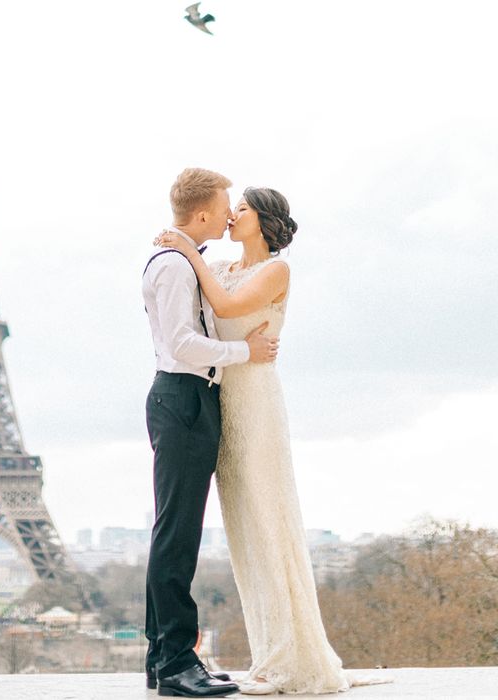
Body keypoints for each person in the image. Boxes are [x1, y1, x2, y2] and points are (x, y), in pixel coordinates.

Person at [155, 187, 391, 695]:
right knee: (243, 531)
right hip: (220, 399)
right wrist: (179, 252)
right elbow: (188, 315)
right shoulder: (217, 265)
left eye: (240, 208)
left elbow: (225, 304)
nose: (231, 214)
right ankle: (268, 652)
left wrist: (185, 250)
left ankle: (287, 658)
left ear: (261, 221)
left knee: (268, 522)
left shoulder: (272, 271)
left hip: (256, 404)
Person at [142, 168, 279, 697]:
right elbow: (181, 344)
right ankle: (176, 661)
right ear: (202, 213)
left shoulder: (184, 261)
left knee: (175, 532)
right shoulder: (175, 266)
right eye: (225, 206)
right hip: (183, 396)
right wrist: (246, 353)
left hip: (188, 398)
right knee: (177, 535)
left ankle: (164, 658)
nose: (229, 215)